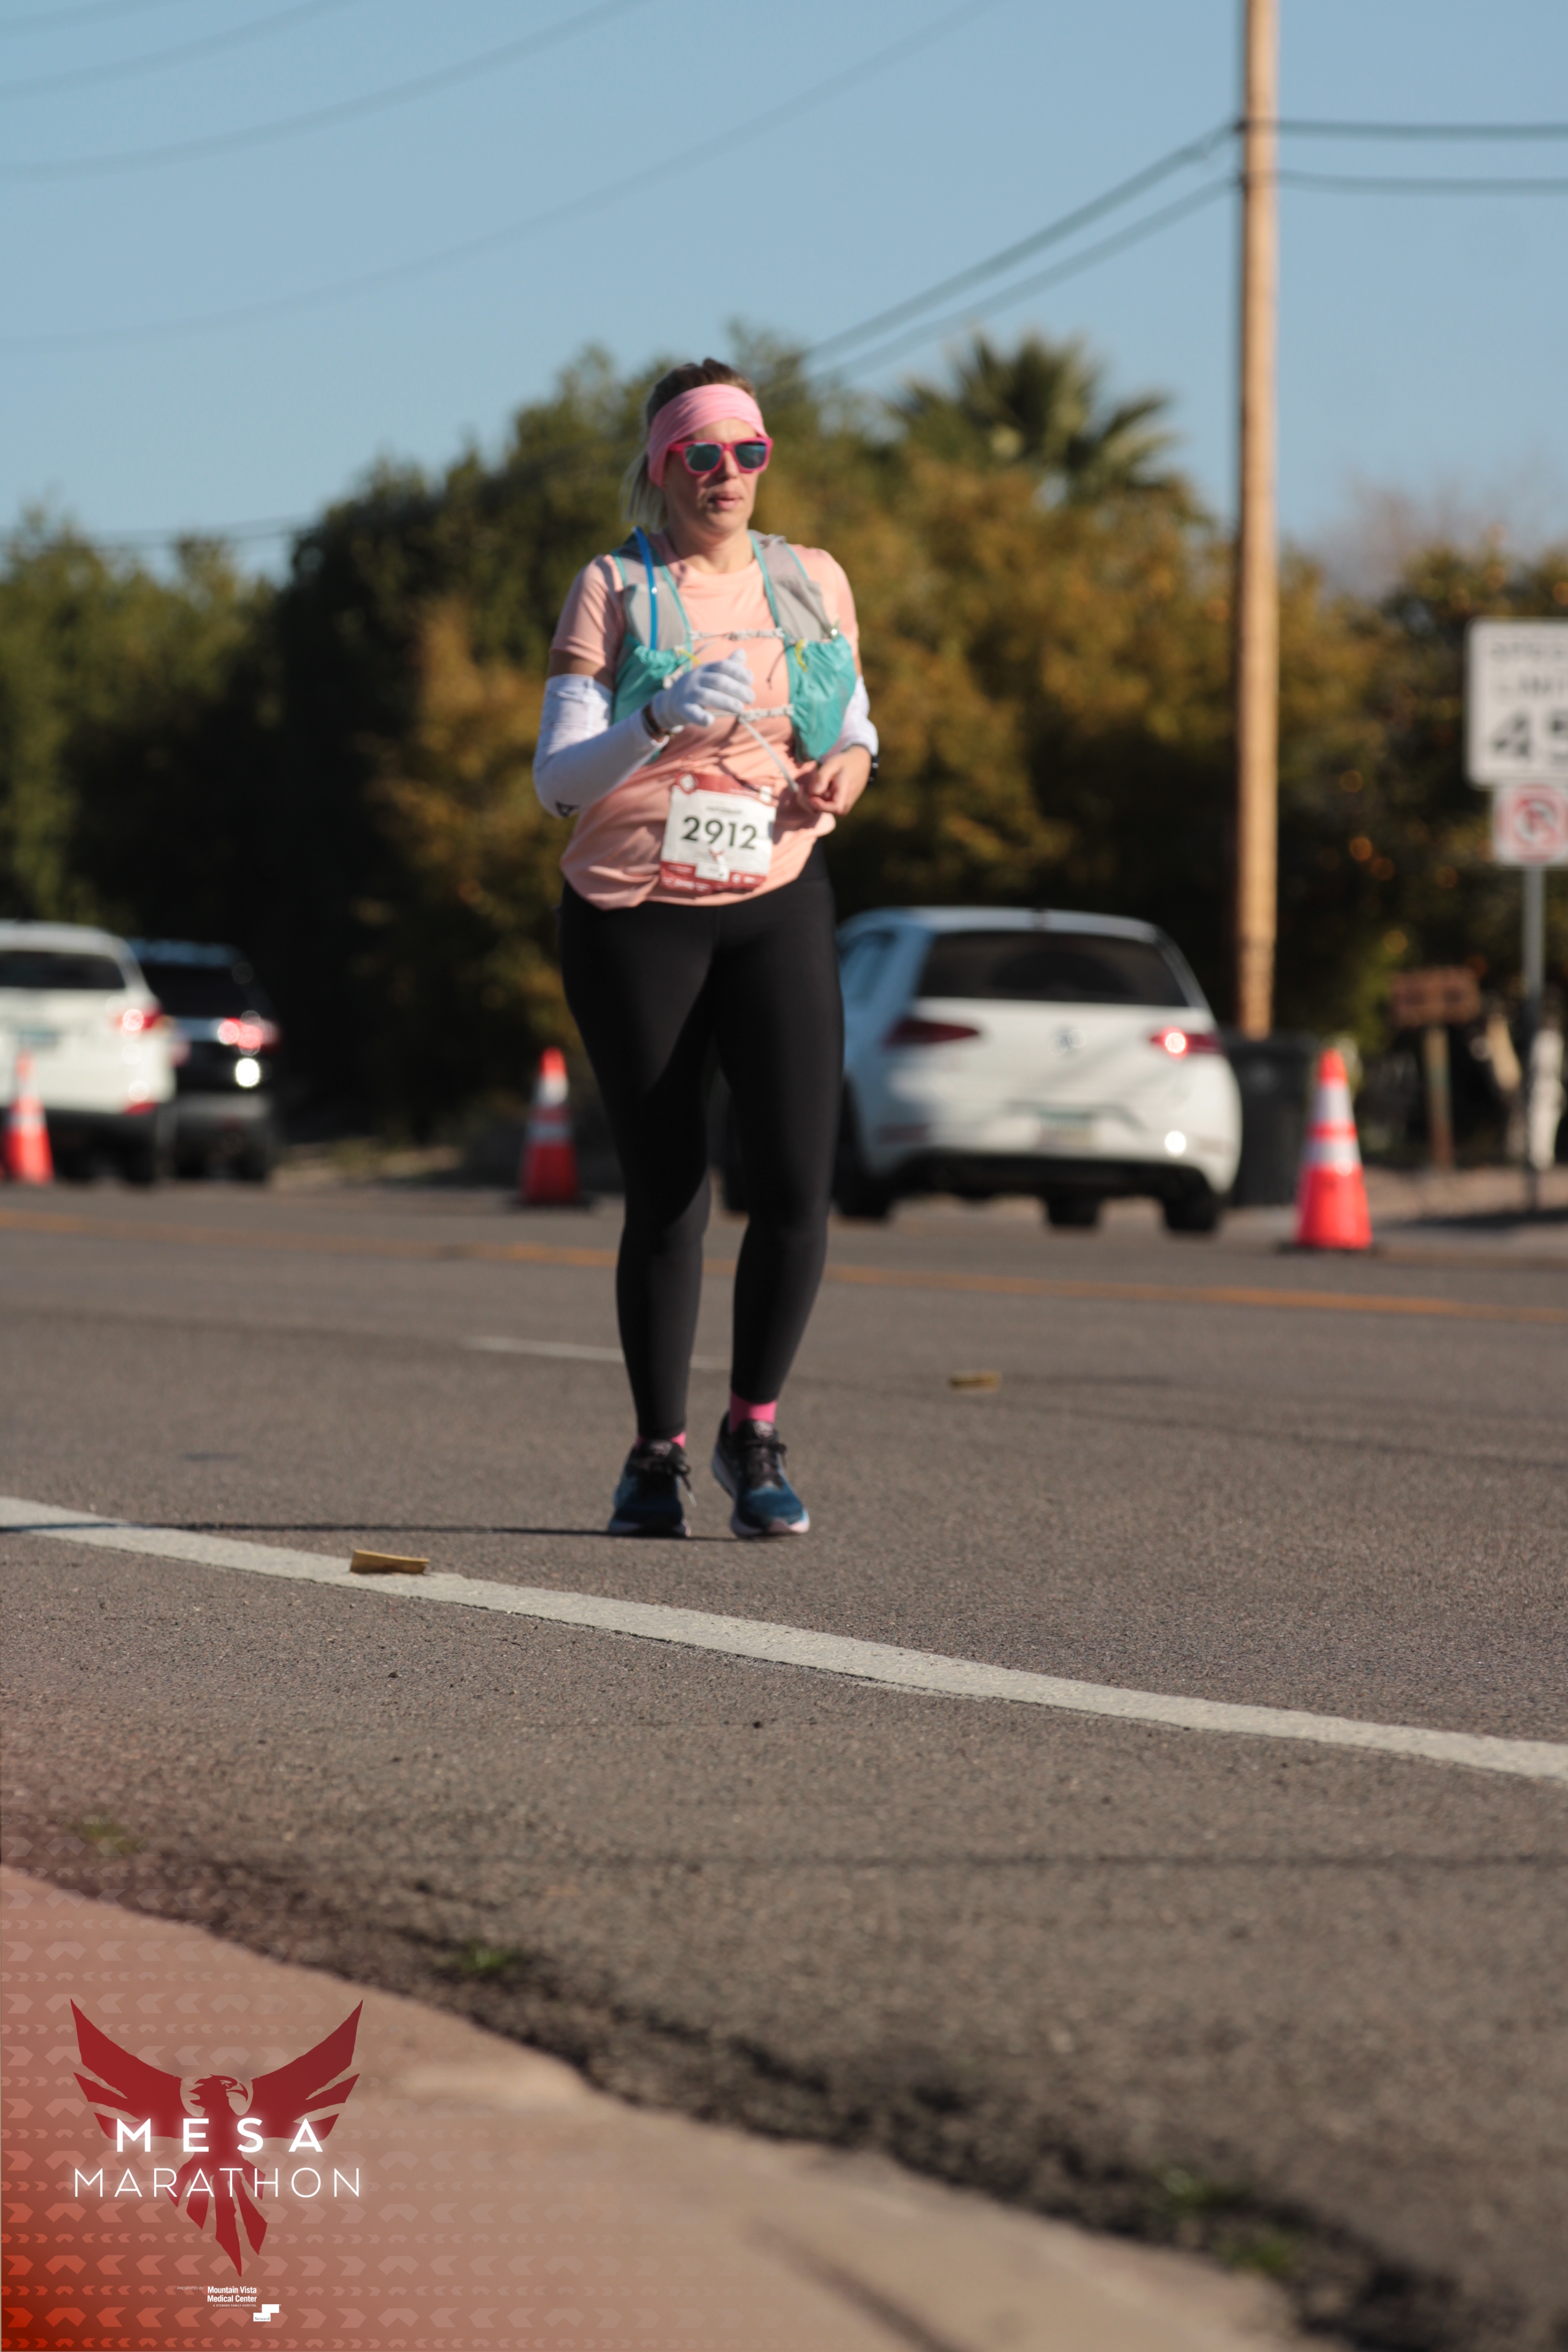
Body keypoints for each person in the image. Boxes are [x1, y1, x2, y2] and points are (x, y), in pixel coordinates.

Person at [533, 359, 877, 1538]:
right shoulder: (614, 586)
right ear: (661, 466)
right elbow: (555, 781)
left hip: (776, 890)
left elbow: (854, 724)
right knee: (671, 1190)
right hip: (636, 909)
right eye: (701, 454)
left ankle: (752, 1430)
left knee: (795, 1183)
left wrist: (848, 770)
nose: (726, 474)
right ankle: (655, 1457)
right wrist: (653, 717)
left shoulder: (809, 578)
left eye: (748, 452)